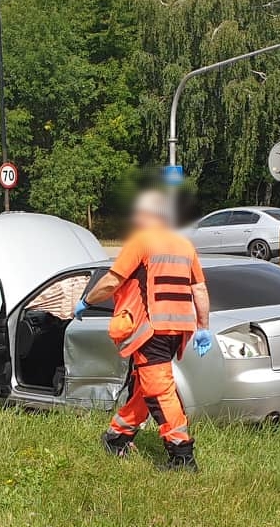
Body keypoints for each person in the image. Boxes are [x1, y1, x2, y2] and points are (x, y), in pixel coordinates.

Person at [79, 189, 211, 469]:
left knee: (159, 391)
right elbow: (198, 288)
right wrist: (203, 327)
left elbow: (112, 281)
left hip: (150, 330)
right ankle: (117, 436)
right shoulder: (185, 246)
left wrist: (86, 301)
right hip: (178, 331)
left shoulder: (141, 242)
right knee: (144, 387)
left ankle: (182, 456)